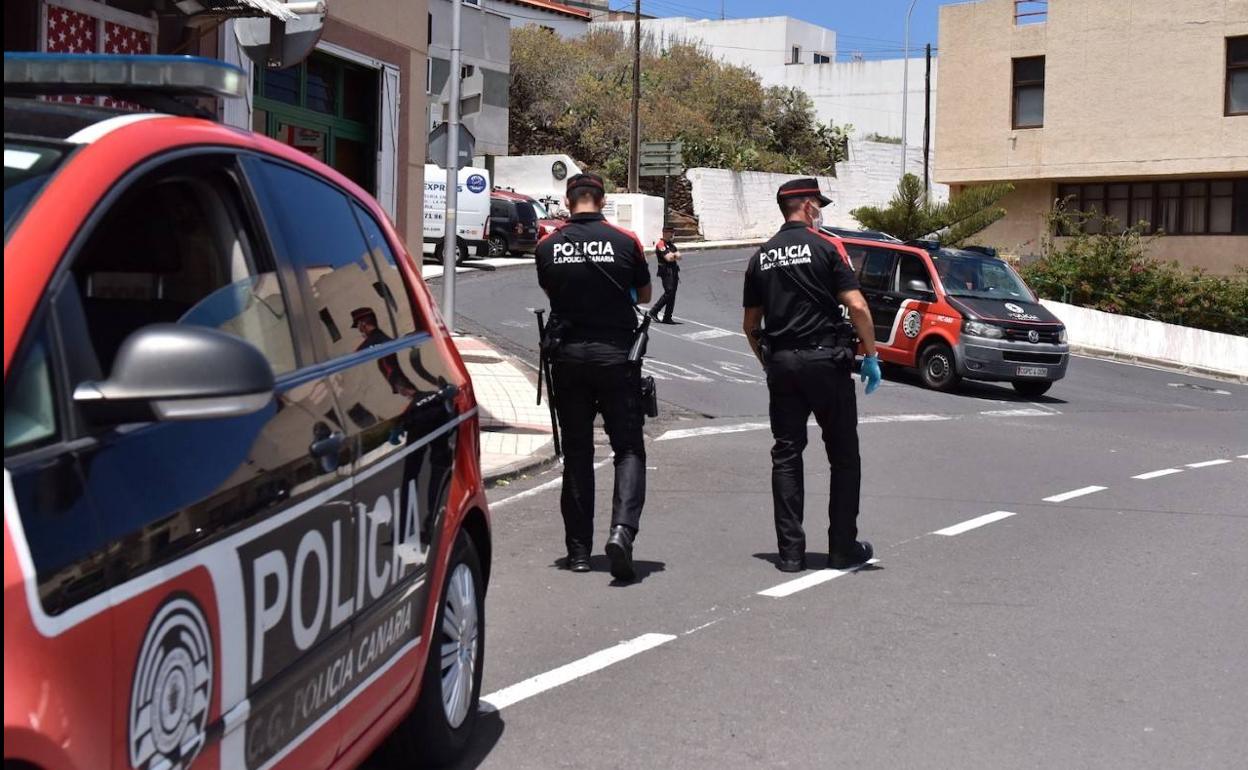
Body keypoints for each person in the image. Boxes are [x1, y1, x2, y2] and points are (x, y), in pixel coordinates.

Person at [741, 178, 883, 574]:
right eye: (817, 204)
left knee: (787, 455)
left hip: (782, 364)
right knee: (844, 456)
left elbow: (750, 325)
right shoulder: (827, 247)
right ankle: (842, 547)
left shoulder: (760, 257)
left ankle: (790, 553)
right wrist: (871, 355)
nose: (819, 211)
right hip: (826, 362)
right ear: (806, 206)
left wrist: (768, 363)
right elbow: (857, 306)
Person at [535, 172, 652, 581]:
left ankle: (579, 552)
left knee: (578, 453)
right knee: (629, 449)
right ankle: (622, 532)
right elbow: (644, 295)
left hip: (568, 358)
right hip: (616, 356)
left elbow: (551, 292)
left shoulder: (547, 246)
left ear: (568, 202)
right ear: (602, 201)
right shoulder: (625, 241)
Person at [352, 307, 418, 398]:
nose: (360, 330)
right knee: (412, 395)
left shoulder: (376, 338)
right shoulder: (376, 338)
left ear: (363, 323)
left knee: (413, 395)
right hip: (398, 381)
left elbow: (356, 355)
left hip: (399, 380)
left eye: (358, 326)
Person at [648, 227, 681, 324]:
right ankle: (654, 311)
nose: (672, 234)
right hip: (666, 272)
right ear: (665, 233)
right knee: (669, 292)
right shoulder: (661, 244)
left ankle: (667, 317)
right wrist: (674, 255)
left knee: (672, 294)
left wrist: (673, 255)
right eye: (671, 232)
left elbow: (679, 256)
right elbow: (668, 258)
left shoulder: (671, 245)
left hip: (674, 271)